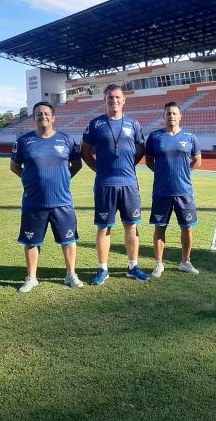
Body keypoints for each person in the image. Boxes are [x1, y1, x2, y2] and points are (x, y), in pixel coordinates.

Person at [10, 101, 83, 293]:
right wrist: (29, 179)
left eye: (46, 113)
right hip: (34, 201)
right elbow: (14, 167)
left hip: (62, 201)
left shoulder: (67, 140)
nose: (43, 116)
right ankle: (32, 277)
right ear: (34, 118)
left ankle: (70, 275)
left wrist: (63, 179)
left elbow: (77, 165)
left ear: (53, 117)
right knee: (31, 241)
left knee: (68, 240)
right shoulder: (24, 142)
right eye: (39, 114)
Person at [81, 84, 150, 284]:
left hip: (129, 183)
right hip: (105, 184)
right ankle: (103, 269)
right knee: (104, 228)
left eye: (118, 97)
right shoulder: (95, 124)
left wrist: (130, 164)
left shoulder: (133, 124)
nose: (114, 101)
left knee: (131, 226)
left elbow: (141, 148)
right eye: (110, 97)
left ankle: (133, 266)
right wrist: (97, 168)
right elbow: (84, 151)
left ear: (124, 100)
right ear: (105, 100)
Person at [145, 101, 202, 278]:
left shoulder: (190, 137)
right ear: (164, 116)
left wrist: (183, 173)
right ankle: (159, 263)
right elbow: (149, 161)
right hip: (162, 192)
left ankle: (185, 262)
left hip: (184, 192)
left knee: (187, 228)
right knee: (160, 228)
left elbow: (197, 161)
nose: (171, 116)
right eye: (168, 113)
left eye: (174, 113)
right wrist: (163, 173)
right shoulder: (154, 137)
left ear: (180, 116)